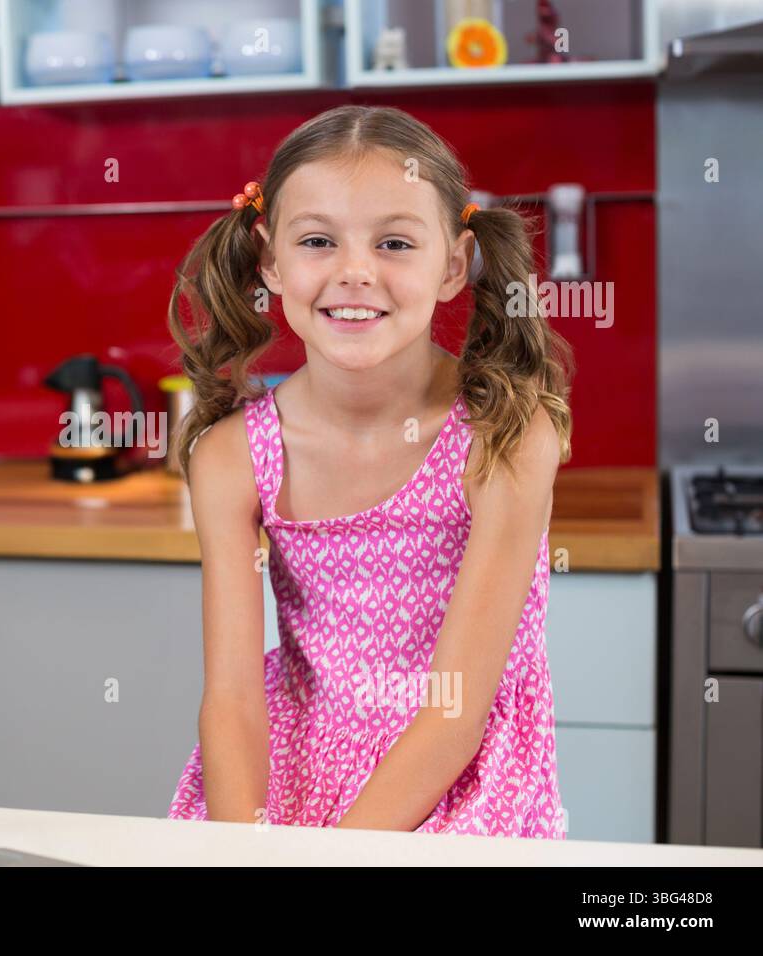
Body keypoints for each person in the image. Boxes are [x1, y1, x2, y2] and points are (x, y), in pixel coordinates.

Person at [165, 105, 574, 837]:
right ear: (271, 262)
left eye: (394, 242)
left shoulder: (505, 436)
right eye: (318, 240)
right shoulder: (232, 456)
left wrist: (331, 860)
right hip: (293, 781)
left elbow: (454, 712)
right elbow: (231, 700)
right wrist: (245, 851)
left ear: (452, 265)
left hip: (456, 781)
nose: (355, 273)